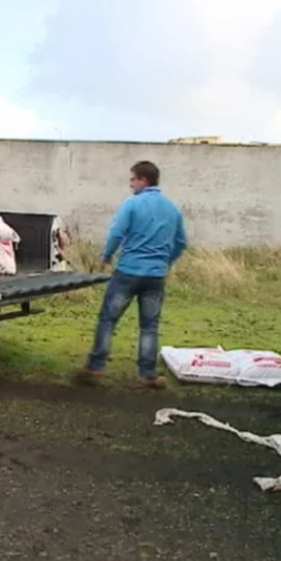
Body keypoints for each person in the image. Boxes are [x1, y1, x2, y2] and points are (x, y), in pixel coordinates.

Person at [75, 160, 187, 389]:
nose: (131, 185)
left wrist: (106, 255)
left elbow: (117, 232)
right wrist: (166, 261)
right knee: (149, 326)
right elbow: (181, 241)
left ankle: (94, 368)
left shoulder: (132, 204)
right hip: (156, 276)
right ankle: (148, 375)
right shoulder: (172, 208)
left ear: (143, 180)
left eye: (133, 180)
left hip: (128, 271)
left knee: (108, 319)